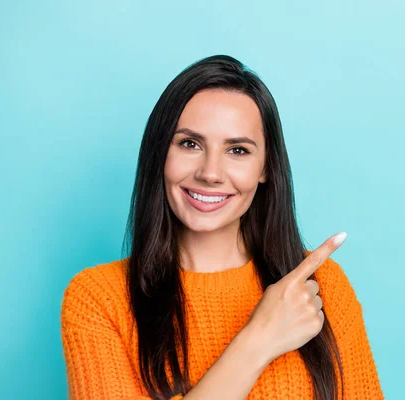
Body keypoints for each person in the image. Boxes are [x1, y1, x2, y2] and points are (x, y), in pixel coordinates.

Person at [60, 55, 384, 400]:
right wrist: (259, 340)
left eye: (238, 150)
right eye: (190, 144)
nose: (210, 173)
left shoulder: (320, 289)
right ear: (160, 154)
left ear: (266, 168)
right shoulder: (98, 299)